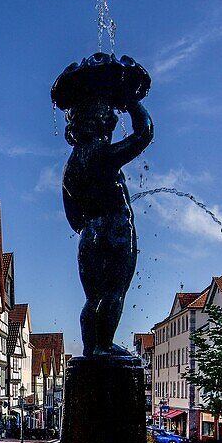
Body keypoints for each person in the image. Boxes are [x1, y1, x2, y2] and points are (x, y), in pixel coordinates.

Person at [62, 97, 153, 356]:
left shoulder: (71, 166)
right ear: (100, 123)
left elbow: (72, 216)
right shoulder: (103, 154)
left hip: (89, 233)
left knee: (93, 297)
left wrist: (90, 226)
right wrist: (131, 101)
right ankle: (104, 345)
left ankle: (92, 347)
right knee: (115, 291)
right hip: (116, 228)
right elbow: (144, 133)